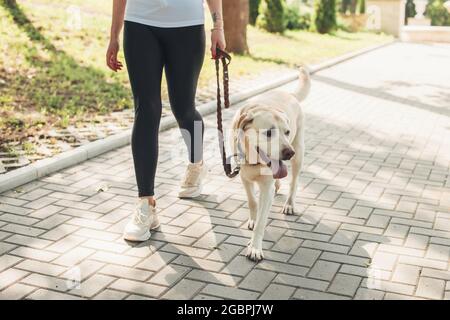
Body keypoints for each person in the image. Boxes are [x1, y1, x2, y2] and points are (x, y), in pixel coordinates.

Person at [106, 0, 226, 241]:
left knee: (183, 109)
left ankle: (196, 164)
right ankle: (145, 204)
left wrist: (218, 27)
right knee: (147, 109)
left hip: (187, 26)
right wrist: (114, 35)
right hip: (139, 23)